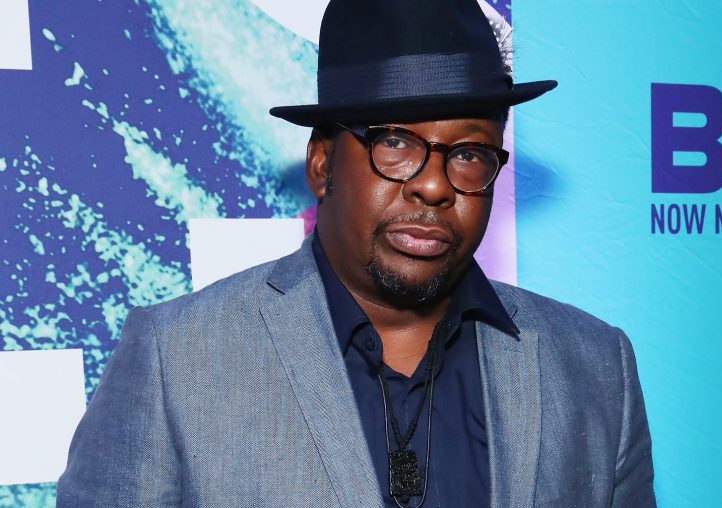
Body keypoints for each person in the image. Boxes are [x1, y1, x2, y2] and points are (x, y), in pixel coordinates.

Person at [57, 0, 655, 506]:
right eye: (395, 143)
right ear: (322, 164)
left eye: (470, 154)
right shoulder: (177, 359)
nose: (434, 185)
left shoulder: (596, 366)